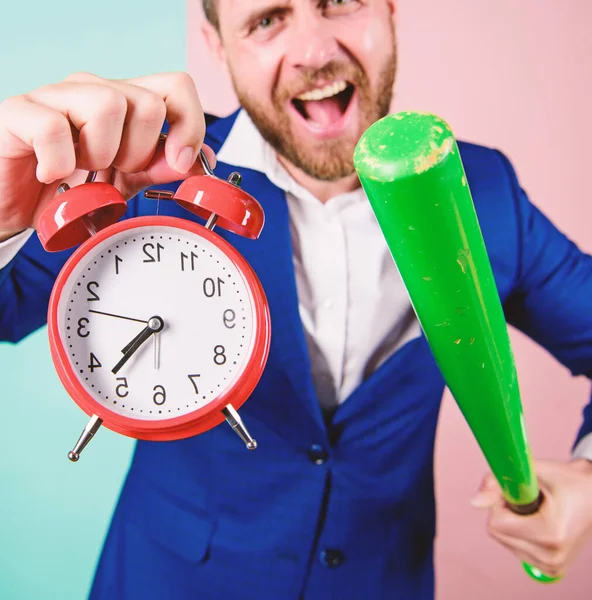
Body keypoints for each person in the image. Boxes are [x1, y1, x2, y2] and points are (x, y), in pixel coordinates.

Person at [0, 0, 591, 598]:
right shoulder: (141, 173)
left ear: (388, 11)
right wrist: (2, 212)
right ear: (216, 43)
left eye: (339, 3)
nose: (313, 51)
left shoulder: (482, 194)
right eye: (266, 19)